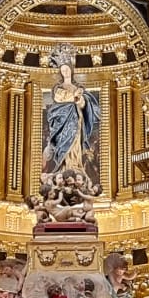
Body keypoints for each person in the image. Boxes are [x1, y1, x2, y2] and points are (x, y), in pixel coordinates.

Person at [41, 49, 101, 198]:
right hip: (63, 122)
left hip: (76, 119)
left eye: (67, 69)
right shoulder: (59, 88)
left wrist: (80, 99)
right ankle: (64, 167)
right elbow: (59, 98)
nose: (65, 72)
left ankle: (75, 165)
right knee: (63, 144)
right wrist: (74, 95)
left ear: (71, 70)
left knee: (75, 144)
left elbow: (82, 104)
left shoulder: (78, 89)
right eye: (63, 70)